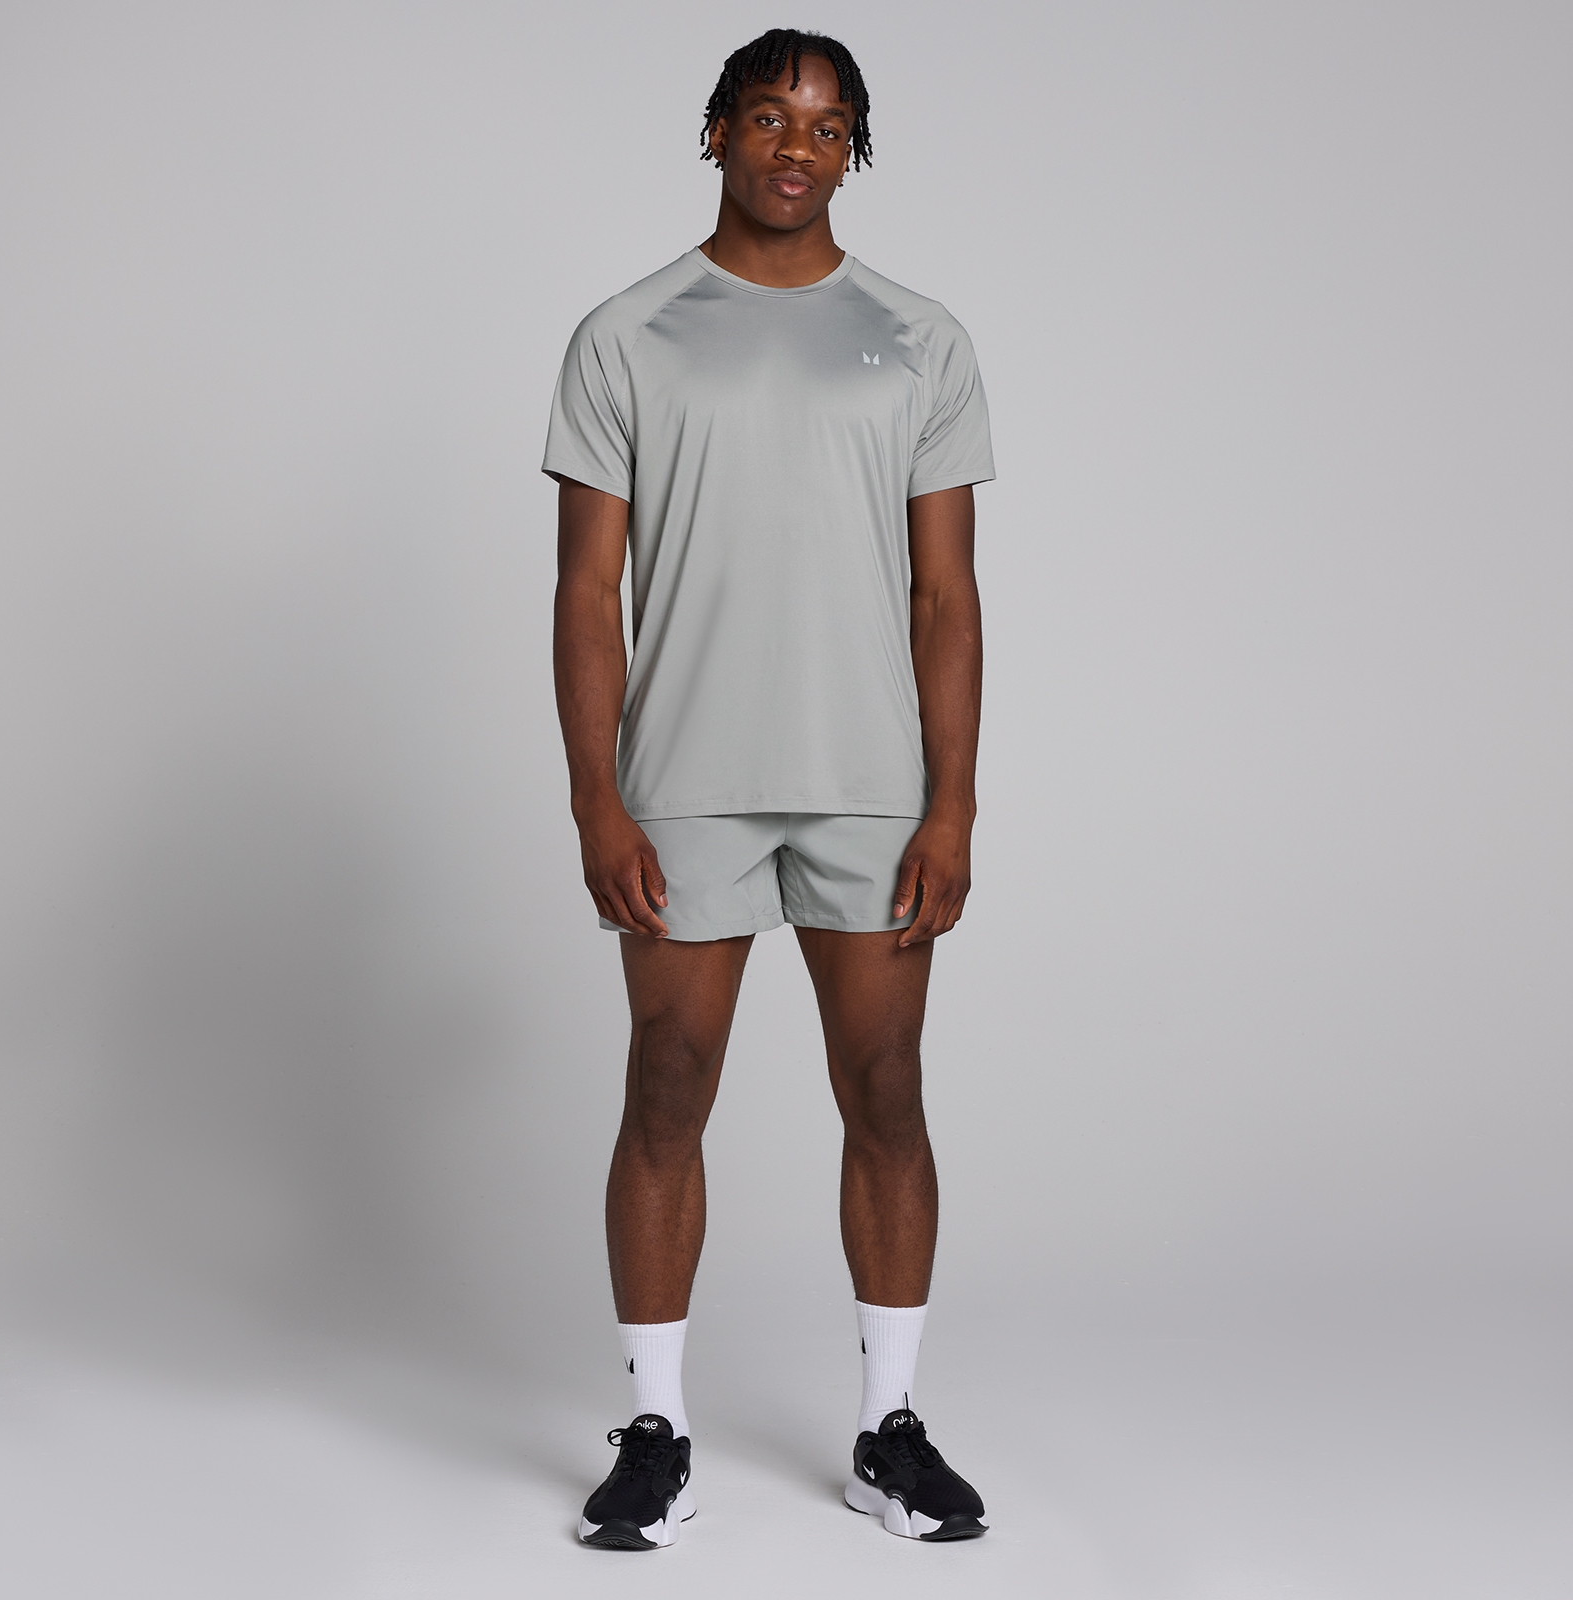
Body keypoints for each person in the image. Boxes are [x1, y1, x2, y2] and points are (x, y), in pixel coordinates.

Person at [544, 27, 993, 1549]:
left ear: (852, 149)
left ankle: (889, 1430)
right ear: (717, 132)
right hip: (686, 783)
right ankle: (656, 1430)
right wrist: (600, 802)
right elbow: (586, 591)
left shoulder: (920, 339)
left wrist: (953, 804)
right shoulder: (627, 335)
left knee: (887, 1089)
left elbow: (947, 597)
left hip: (871, 785)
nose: (796, 146)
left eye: (826, 124)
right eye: (767, 116)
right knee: (667, 1086)